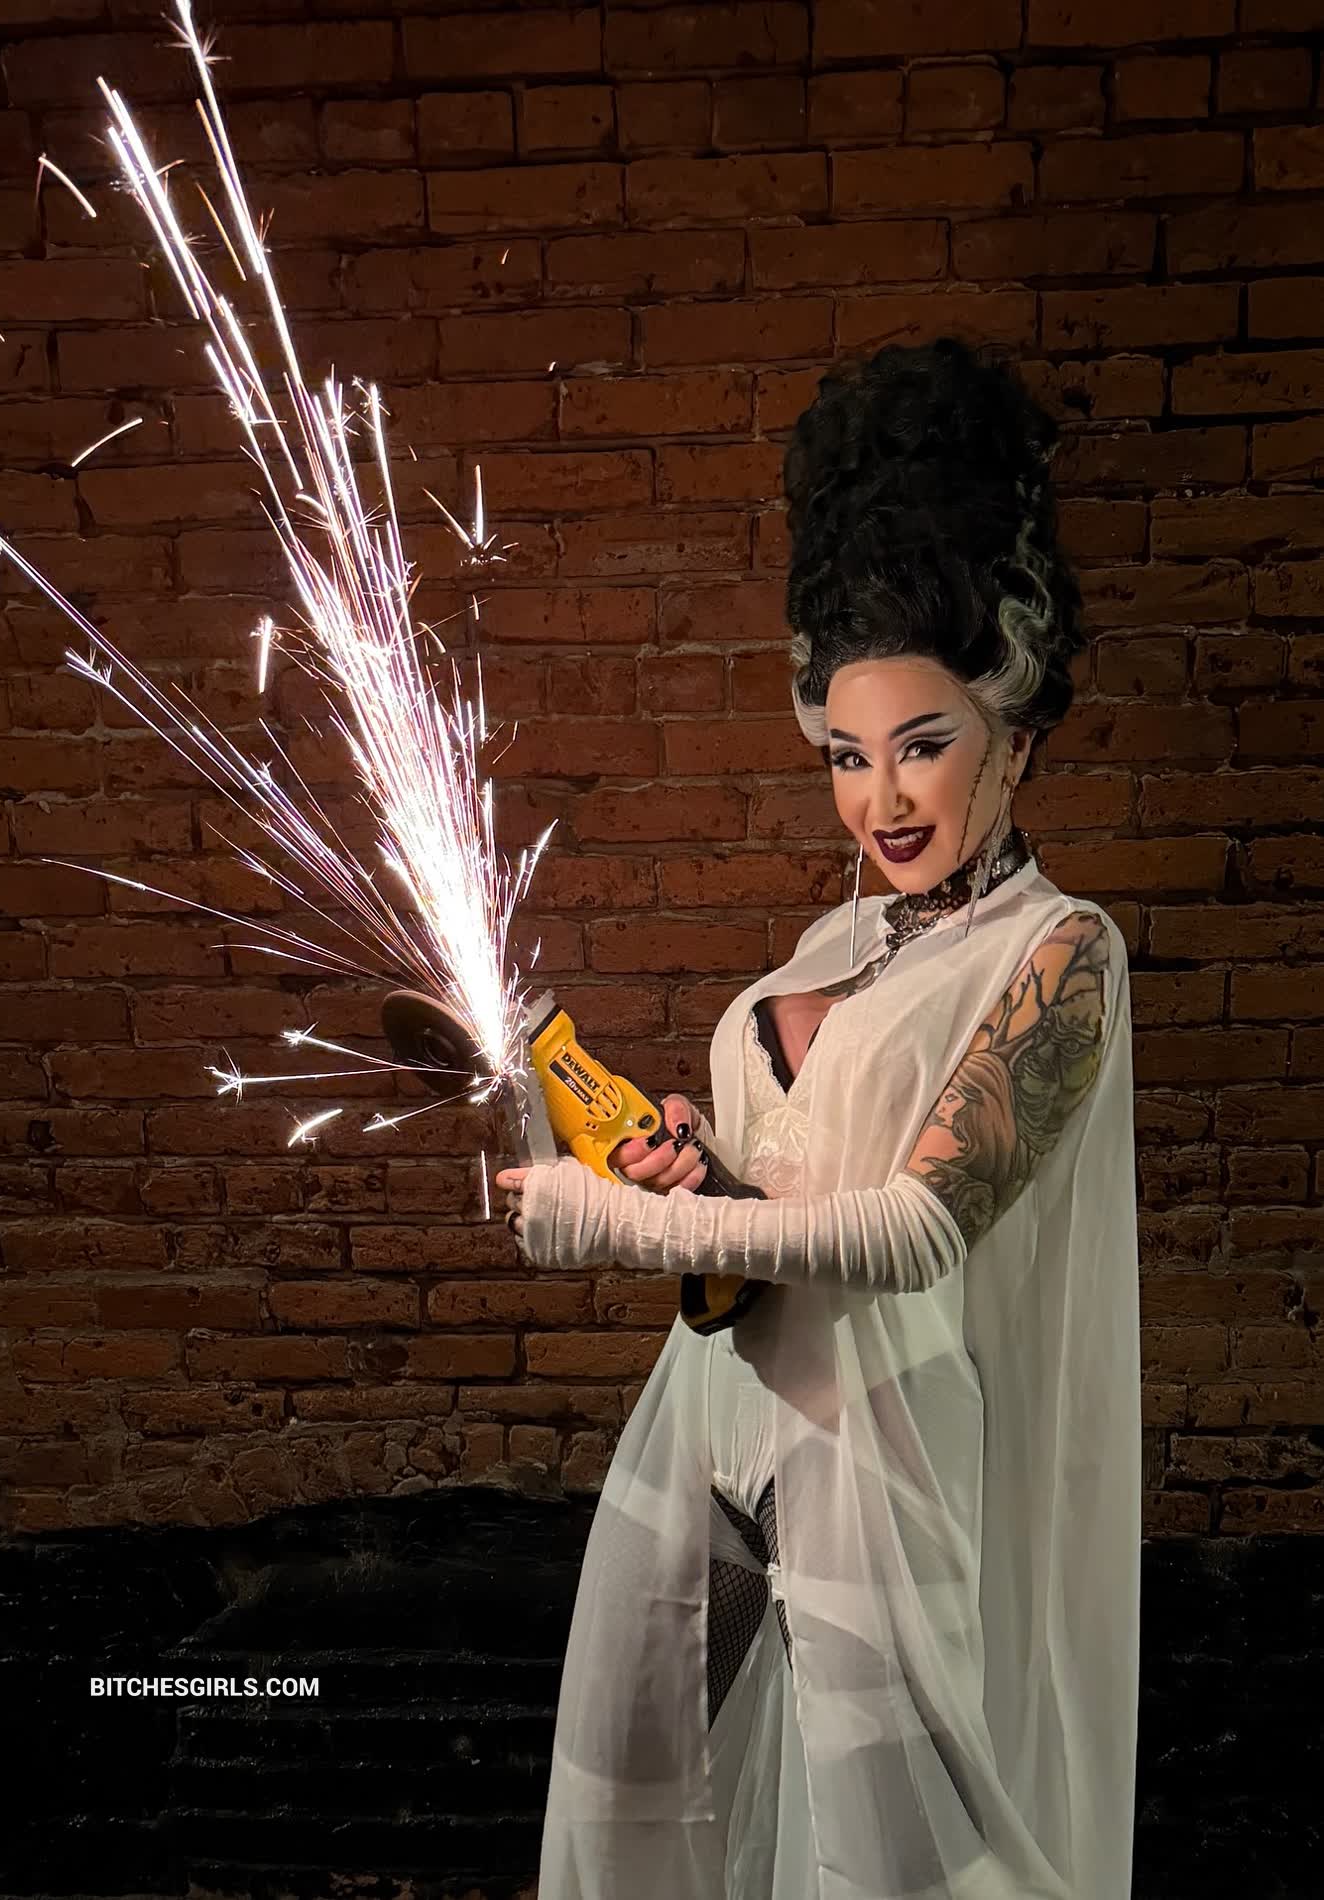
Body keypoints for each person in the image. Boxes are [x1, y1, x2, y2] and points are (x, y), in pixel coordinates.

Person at [496, 335, 1141, 1900]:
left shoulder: (1061, 954)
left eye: (923, 746)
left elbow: (916, 1230)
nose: (882, 800)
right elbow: (766, 1233)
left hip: (876, 1460)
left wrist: (607, 1218)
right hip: (704, 1429)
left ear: (1014, 732)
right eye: (850, 756)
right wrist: (698, 1180)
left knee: (890, 1869)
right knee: (624, 1813)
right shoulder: (825, 949)